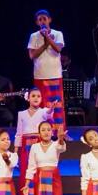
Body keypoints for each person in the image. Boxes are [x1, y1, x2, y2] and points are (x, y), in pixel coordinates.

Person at [14, 88, 57, 195]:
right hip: (25, 147)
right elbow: (19, 133)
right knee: (25, 174)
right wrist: (16, 151)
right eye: (33, 96)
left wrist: (51, 108)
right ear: (28, 98)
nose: (36, 98)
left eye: (38, 96)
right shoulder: (21, 114)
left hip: (39, 145)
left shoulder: (43, 112)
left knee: (38, 174)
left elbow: (49, 114)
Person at [27, 9, 67, 138]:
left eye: (44, 18)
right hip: (40, 76)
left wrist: (47, 37)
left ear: (49, 20)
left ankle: (60, 133)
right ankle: (44, 134)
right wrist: (44, 45)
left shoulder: (58, 33)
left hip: (55, 75)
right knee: (43, 106)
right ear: (37, 22)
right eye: (40, 19)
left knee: (57, 106)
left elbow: (58, 49)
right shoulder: (34, 36)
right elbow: (32, 55)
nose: (43, 21)